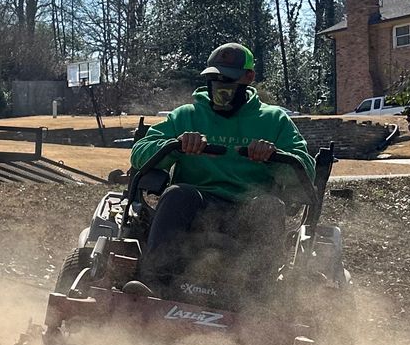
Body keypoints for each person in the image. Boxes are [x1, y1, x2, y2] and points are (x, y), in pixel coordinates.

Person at [128, 43, 315, 299]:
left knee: (270, 207)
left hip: (249, 209)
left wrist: (272, 158)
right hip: (196, 207)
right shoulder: (185, 116)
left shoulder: (275, 121)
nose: (219, 85)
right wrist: (175, 146)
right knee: (177, 194)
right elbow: (140, 153)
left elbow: (304, 170)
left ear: (249, 78)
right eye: (213, 78)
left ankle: (261, 299)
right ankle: (155, 285)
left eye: (227, 78)